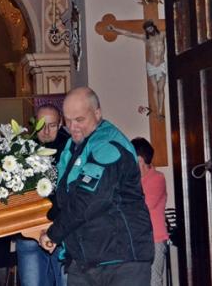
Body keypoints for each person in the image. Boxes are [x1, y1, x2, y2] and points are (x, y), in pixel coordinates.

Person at [39, 87, 153, 286]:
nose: (73, 127)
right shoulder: (72, 147)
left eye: (79, 120)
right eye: (68, 120)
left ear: (97, 113)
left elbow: (88, 200)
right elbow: (63, 198)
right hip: (84, 260)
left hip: (122, 259)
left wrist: (54, 233)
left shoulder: (108, 145)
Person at [17, 104, 70, 286]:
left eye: (52, 125)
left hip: (60, 231)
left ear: (61, 123)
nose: (46, 132)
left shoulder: (71, 149)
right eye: (41, 126)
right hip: (28, 230)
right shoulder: (21, 149)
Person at [109, 20, 167, 119]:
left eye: (150, 28)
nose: (150, 30)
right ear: (146, 31)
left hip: (161, 64)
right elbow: (130, 33)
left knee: (161, 89)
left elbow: (173, 28)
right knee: (155, 89)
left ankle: (160, 111)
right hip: (152, 65)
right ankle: (157, 112)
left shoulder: (162, 34)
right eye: (148, 29)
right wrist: (114, 29)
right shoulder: (146, 38)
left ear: (153, 27)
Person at [132, 138, 168, 286]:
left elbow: (143, 207)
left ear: (140, 159)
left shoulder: (157, 178)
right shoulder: (132, 180)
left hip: (154, 239)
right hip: (135, 240)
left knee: (153, 280)